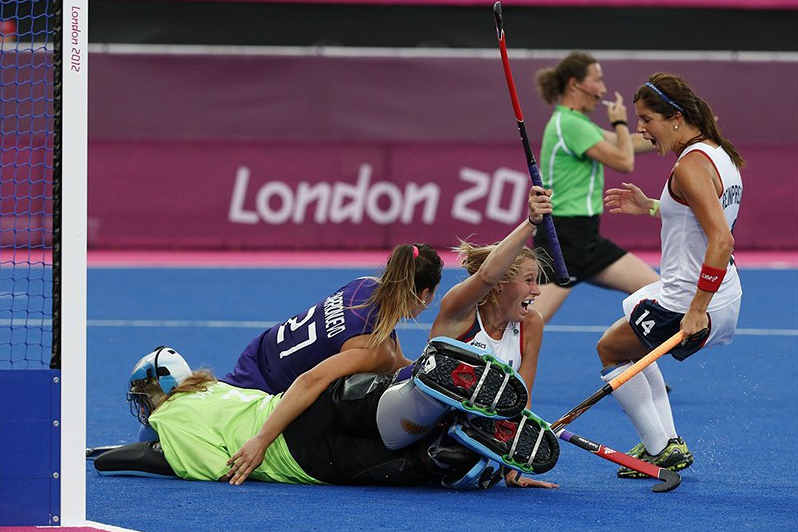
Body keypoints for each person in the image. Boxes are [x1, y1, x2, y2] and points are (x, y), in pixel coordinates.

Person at [98, 341, 560, 489]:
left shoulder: (168, 422)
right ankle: (430, 391)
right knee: (372, 405)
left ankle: (452, 449)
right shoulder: (214, 387)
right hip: (300, 406)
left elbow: (180, 462)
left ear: (157, 392)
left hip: (300, 454)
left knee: (400, 460)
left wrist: (117, 456)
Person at [598, 72, 743, 478]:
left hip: (690, 296)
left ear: (676, 117)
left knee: (610, 350)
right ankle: (665, 443)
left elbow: (721, 240)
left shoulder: (689, 167)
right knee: (632, 340)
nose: (641, 130)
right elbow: (700, 220)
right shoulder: (718, 153)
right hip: (723, 288)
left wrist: (696, 310)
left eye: (646, 119)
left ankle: (661, 449)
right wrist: (650, 206)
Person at [376, 185, 558, 488]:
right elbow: (486, 275)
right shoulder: (459, 313)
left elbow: (519, 402)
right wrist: (531, 223)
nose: (537, 291)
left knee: (474, 471)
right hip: (406, 416)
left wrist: (513, 465)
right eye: (529, 281)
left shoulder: (531, 324)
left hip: (451, 436)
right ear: (500, 285)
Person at [214, 243, 443, 479]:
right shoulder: (376, 350)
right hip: (264, 392)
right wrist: (261, 441)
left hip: (260, 351)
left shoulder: (364, 285)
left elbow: (396, 360)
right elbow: (309, 381)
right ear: (424, 294)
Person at [532, 51, 659, 322]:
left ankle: (628, 359)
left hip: (585, 236)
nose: (603, 89)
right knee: (527, 325)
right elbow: (624, 161)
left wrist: (682, 133)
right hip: (563, 238)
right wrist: (621, 122)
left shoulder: (576, 122)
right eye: (598, 81)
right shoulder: (568, 123)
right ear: (575, 84)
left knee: (656, 293)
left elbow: (628, 143)